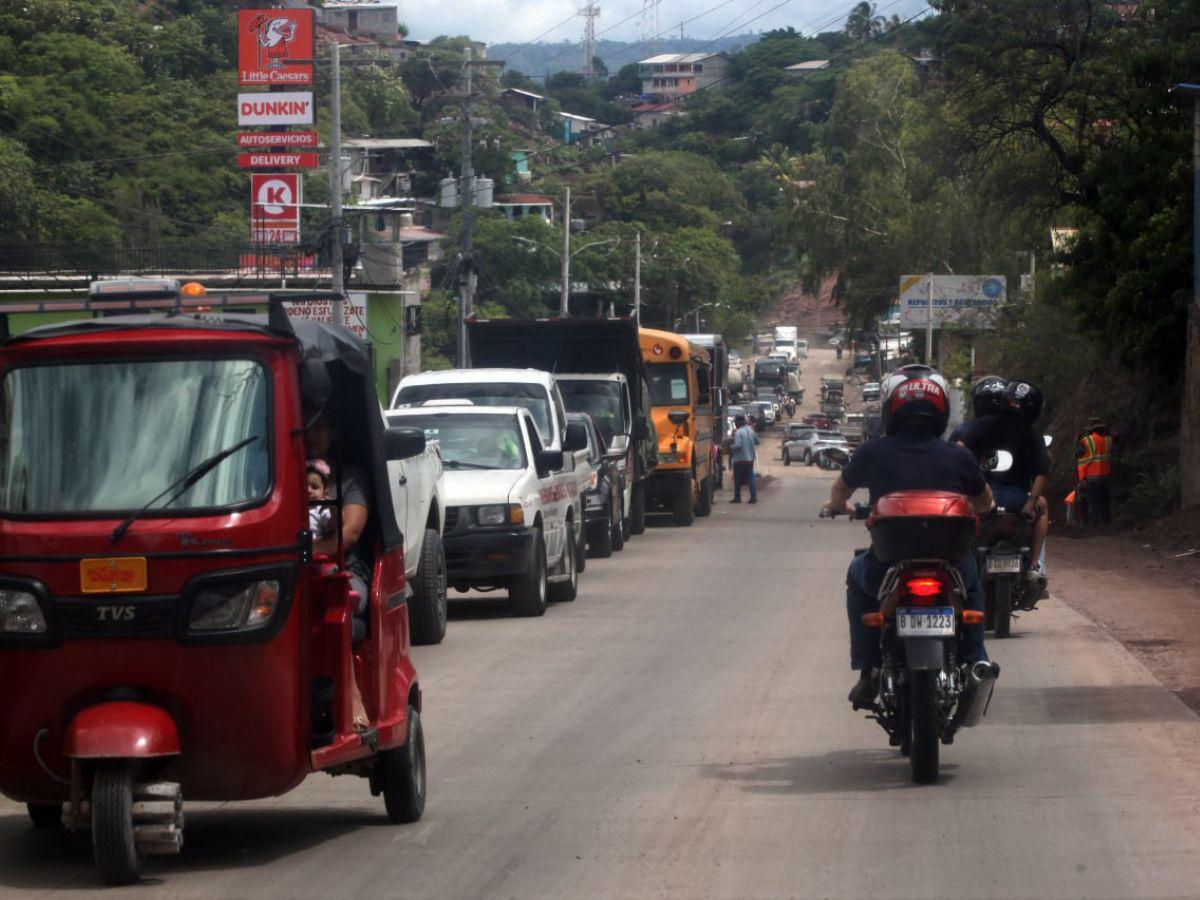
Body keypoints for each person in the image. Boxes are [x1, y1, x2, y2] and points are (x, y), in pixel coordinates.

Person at [821, 365, 996, 709]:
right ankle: (976, 658)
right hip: (950, 562)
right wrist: (981, 510)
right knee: (971, 581)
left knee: (858, 577)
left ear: (891, 409)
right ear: (941, 410)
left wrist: (838, 506)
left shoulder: (872, 452)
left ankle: (868, 669)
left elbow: (840, 492)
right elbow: (985, 502)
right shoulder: (958, 455)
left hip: (889, 563)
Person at [955, 378, 1050, 592]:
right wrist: (1031, 502)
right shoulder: (1032, 436)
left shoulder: (983, 425)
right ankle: (1034, 566)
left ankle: (961, 565)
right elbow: (1042, 473)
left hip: (982, 498)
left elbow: (959, 450)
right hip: (1018, 501)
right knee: (1043, 507)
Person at [1076, 419, 1113, 525]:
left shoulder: (1086, 441)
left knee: (1093, 501)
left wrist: (1081, 478)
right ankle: (1106, 523)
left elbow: (1080, 458)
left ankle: (1094, 524)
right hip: (1106, 476)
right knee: (1105, 501)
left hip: (1092, 477)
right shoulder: (1109, 440)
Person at [729, 414, 759, 504]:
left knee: (737, 479)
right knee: (750, 478)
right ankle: (753, 497)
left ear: (737, 423)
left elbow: (738, 445)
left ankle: (737, 497)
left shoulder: (738, 432)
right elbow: (758, 441)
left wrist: (731, 447)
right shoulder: (751, 430)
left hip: (739, 459)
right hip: (750, 459)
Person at [307, 459, 334, 538]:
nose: (308, 491)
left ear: (325, 490)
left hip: (316, 547)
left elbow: (332, 527)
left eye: (314, 487)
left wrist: (333, 511)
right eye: (304, 487)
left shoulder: (321, 507)